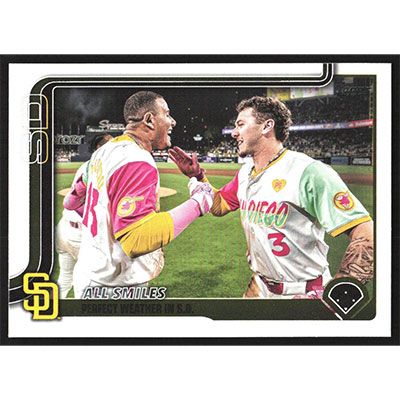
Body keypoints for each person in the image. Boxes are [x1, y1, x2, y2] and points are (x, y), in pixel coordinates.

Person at [168, 96, 373, 299]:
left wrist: (340, 297)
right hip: (259, 287)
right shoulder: (245, 172)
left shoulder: (308, 172)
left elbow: (366, 233)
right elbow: (219, 205)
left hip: (304, 292)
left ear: (267, 126)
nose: (234, 132)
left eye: (241, 124)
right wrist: (198, 177)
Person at [67, 91, 214, 298]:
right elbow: (136, 239)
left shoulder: (102, 153)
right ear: (149, 120)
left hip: (90, 272)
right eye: (167, 114)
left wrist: (103, 222)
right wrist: (199, 202)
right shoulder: (135, 158)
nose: (173, 121)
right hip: (115, 286)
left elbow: (71, 201)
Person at [55, 133, 113, 298]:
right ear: (99, 148)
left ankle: (51, 310)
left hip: (64, 229)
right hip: (80, 235)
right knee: (90, 283)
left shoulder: (88, 166)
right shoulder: (100, 168)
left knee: (65, 278)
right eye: (111, 143)